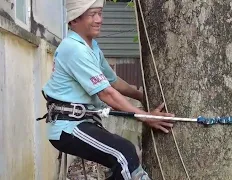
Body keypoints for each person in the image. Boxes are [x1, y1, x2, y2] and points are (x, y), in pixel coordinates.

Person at [40, 0, 174, 179]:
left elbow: (113, 81)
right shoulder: (74, 49)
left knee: (123, 155)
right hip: (68, 127)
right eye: (92, 14)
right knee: (124, 154)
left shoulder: (91, 47)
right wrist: (146, 117)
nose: (99, 20)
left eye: (100, 13)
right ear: (74, 20)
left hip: (81, 124)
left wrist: (141, 96)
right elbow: (106, 93)